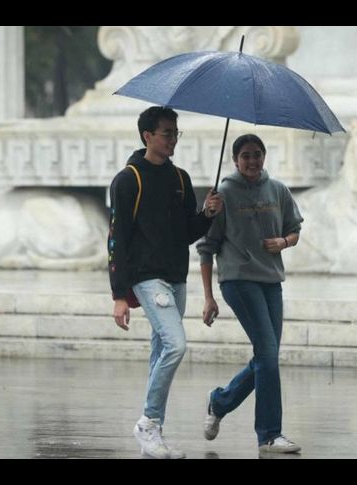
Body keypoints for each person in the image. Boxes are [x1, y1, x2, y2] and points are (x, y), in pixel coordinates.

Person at [107, 106, 223, 459]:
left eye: (176, 133)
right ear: (147, 136)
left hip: (176, 278)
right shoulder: (128, 180)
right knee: (175, 345)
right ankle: (148, 423)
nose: (173, 139)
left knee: (160, 351)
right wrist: (119, 296)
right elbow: (117, 239)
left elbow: (187, 232)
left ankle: (152, 437)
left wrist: (206, 215)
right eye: (167, 133)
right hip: (146, 277)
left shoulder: (180, 179)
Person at [196, 134, 304, 454]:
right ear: (235, 160)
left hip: (271, 280)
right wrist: (208, 297)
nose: (252, 161)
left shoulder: (278, 190)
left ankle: (220, 401)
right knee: (268, 355)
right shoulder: (223, 194)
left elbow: (294, 229)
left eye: (257, 154)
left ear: (264, 156)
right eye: (245, 156)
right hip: (238, 280)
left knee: (266, 357)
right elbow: (206, 249)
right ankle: (269, 435)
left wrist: (282, 242)